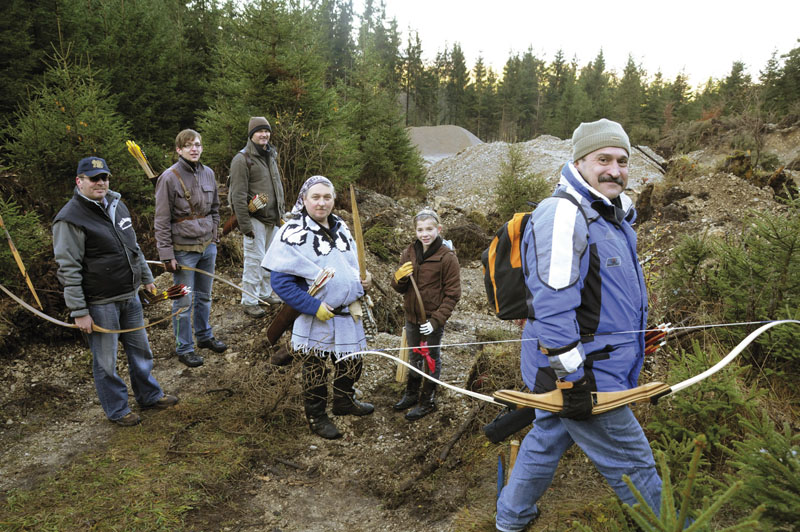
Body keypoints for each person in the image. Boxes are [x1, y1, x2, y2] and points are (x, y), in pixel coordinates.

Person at [495, 119, 662, 531]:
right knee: (635, 462)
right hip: (584, 373)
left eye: (623, 161)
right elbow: (552, 307)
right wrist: (572, 381)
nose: (615, 170)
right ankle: (667, 524)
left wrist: (640, 338)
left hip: (594, 365)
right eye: (603, 159)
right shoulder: (564, 215)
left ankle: (510, 520)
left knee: (545, 439)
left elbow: (602, 298)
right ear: (580, 161)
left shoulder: (611, 218)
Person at [53, 157, 179, 426]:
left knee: (141, 351)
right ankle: (117, 409)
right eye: (93, 178)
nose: (100, 182)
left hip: (130, 296)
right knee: (106, 362)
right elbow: (68, 268)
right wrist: (79, 311)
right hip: (99, 303)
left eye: (104, 177)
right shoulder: (69, 218)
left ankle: (149, 395)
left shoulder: (117, 205)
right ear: (79, 182)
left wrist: (146, 279)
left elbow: (133, 247)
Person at [262, 176, 374, 439]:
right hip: (317, 314)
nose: (322, 203)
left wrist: (365, 279)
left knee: (351, 362)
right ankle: (316, 415)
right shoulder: (292, 232)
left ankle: (344, 402)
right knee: (316, 368)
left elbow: (353, 265)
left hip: (349, 311)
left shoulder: (342, 226)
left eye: (327, 197)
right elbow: (280, 281)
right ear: (304, 199)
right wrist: (312, 306)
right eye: (316, 197)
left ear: (334, 200)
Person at [154, 129, 227, 368]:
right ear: (179, 150)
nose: (193, 149)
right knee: (183, 303)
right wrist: (166, 254)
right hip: (183, 250)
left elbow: (215, 209)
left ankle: (204, 337)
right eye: (188, 146)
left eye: (197, 145)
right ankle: (185, 348)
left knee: (204, 297)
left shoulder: (208, 174)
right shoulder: (168, 177)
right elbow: (162, 220)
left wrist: (215, 236)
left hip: (208, 247)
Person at [390, 208, 461, 421]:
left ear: (439, 229)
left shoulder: (447, 258)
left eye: (429, 229)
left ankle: (427, 400)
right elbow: (398, 287)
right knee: (415, 356)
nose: (425, 234)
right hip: (411, 317)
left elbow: (453, 295)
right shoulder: (408, 253)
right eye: (420, 230)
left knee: (431, 358)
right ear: (415, 231)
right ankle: (411, 394)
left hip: (432, 320)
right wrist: (399, 278)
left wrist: (436, 321)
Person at [229, 116, 285, 318]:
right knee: (254, 261)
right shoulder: (242, 159)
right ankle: (249, 300)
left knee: (270, 261)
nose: (264, 135)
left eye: (267, 131)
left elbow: (277, 187)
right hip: (255, 220)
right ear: (251, 135)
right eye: (260, 131)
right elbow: (237, 195)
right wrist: (245, 225)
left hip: (273, 219)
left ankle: (264, 294)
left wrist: (281, 214)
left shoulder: (270, 155)